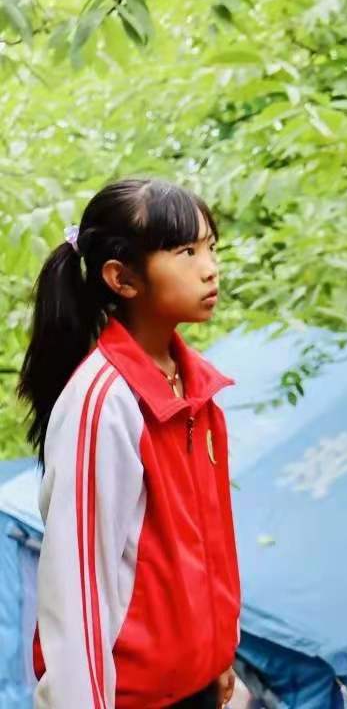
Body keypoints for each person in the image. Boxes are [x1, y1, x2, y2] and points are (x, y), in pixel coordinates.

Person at [18, 179, 241, 709]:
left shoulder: (197, 391)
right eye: (186, 252)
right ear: (122, 278)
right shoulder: (104, 404)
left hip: (197, 687)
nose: (210, 268)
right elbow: (77, 587)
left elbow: (200, 546)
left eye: (212, 248)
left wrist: (216, 654)